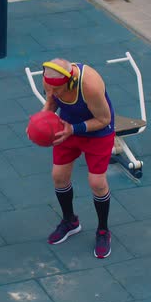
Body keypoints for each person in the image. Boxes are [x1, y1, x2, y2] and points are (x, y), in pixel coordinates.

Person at [40, 58, 115, 259]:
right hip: (68, 126)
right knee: (58, 176)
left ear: (71, 82)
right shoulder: (50, 79)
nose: (53, 93)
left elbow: (104, 119)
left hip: (98, 130)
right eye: (50, 88)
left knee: (97, 182)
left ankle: (103, 231)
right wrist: (38, 124)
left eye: (58, 90)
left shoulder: (90, 85)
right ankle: (70, 221)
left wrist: (74, 129)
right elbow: (51, 103)